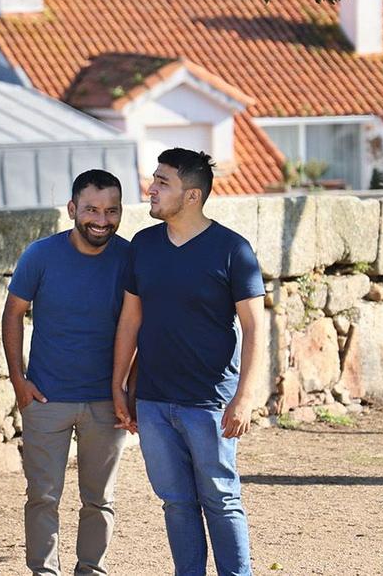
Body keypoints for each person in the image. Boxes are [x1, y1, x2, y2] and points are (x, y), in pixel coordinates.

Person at [113, 148, 265, 576]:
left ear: (192, 195)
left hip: (210, 403)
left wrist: (244, 397)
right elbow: (130, 319)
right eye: (154, 179)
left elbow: (255, 327)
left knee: (220, 498)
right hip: (154, 401)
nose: (151, 189)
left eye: (163, 182)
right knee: (176, 503)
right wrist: (119, 385)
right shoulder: (143, 245)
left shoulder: (233, 249)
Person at [2, 169, 132, 576]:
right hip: (46, 398)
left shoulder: (130, 258)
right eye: (91, 208)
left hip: (106, 402)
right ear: (73, 208)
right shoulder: (40, 255)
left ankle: (91, 570)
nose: (101, 219)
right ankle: (44, 572)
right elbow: (12, 315)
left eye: (112, 210)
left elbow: (141, 327)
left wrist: (129, 390)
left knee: (100, 498)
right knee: (42, 496)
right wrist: (18, 381)